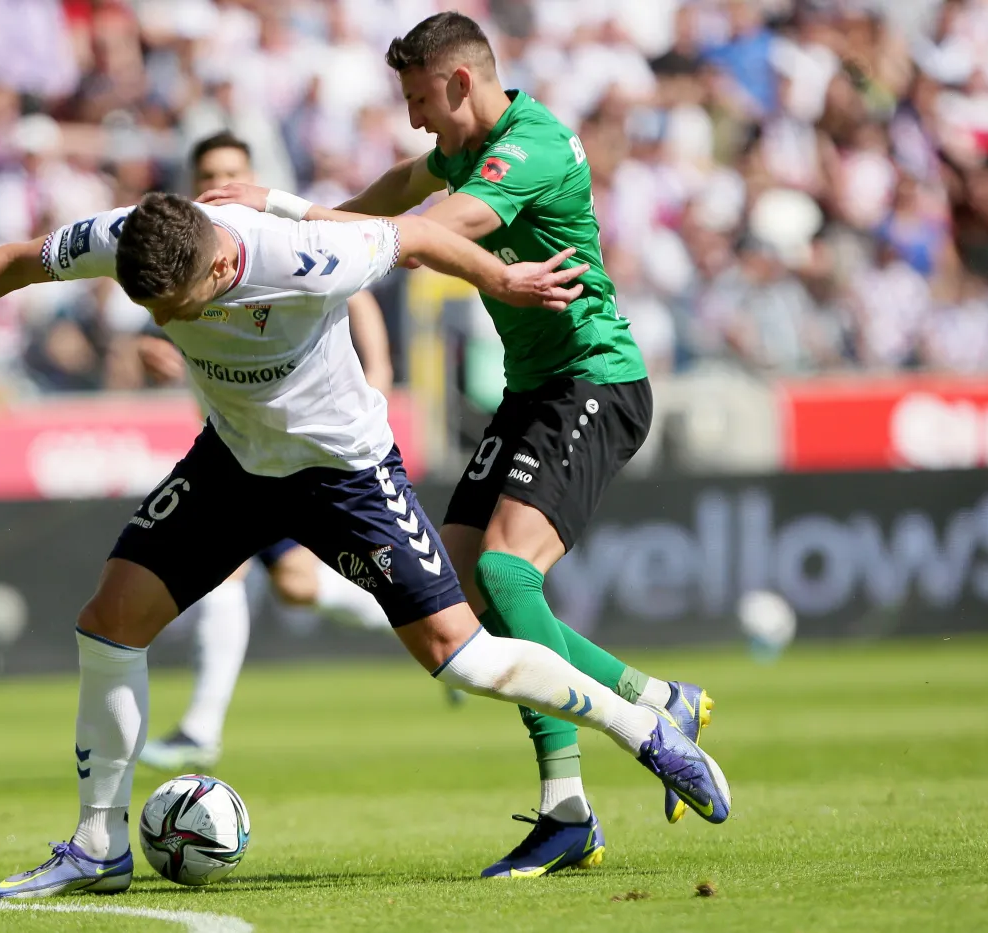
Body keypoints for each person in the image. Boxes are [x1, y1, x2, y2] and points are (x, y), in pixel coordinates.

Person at [0, 192, 730, 899]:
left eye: (173, 307)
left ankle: (643, 725)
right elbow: (14, 260)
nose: (164, 325)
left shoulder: (310, 255)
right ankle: (97, 843)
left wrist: (501, 279)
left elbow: (414, 236)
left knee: (460, 655)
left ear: (217, 272)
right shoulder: (134, 236)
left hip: (344, 474)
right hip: (236, 464)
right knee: (110, 617)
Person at [199, 11, 714, 879]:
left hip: (595, 381)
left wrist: (282, 212)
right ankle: (658, 701)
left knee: (510, 576)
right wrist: (295, 227)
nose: (414, 118)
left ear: (463, 81)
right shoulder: (464, 145)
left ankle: (568, 810)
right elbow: (401, 187)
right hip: (534, 391)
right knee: (466, 589)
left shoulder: (531, 146)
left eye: (419, 98)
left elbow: (428, 235)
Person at [138, 131, 399, 773]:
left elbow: (356, 287)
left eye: (231, 170)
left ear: (250, 176)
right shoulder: (185, 256)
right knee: (297, 587)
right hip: (243, 445)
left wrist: (381, 374)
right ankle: (432, 628)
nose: (219, 180)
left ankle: (201, 728)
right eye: (207, 172)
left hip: (304, 449)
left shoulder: (283, 238)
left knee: (255, 578)